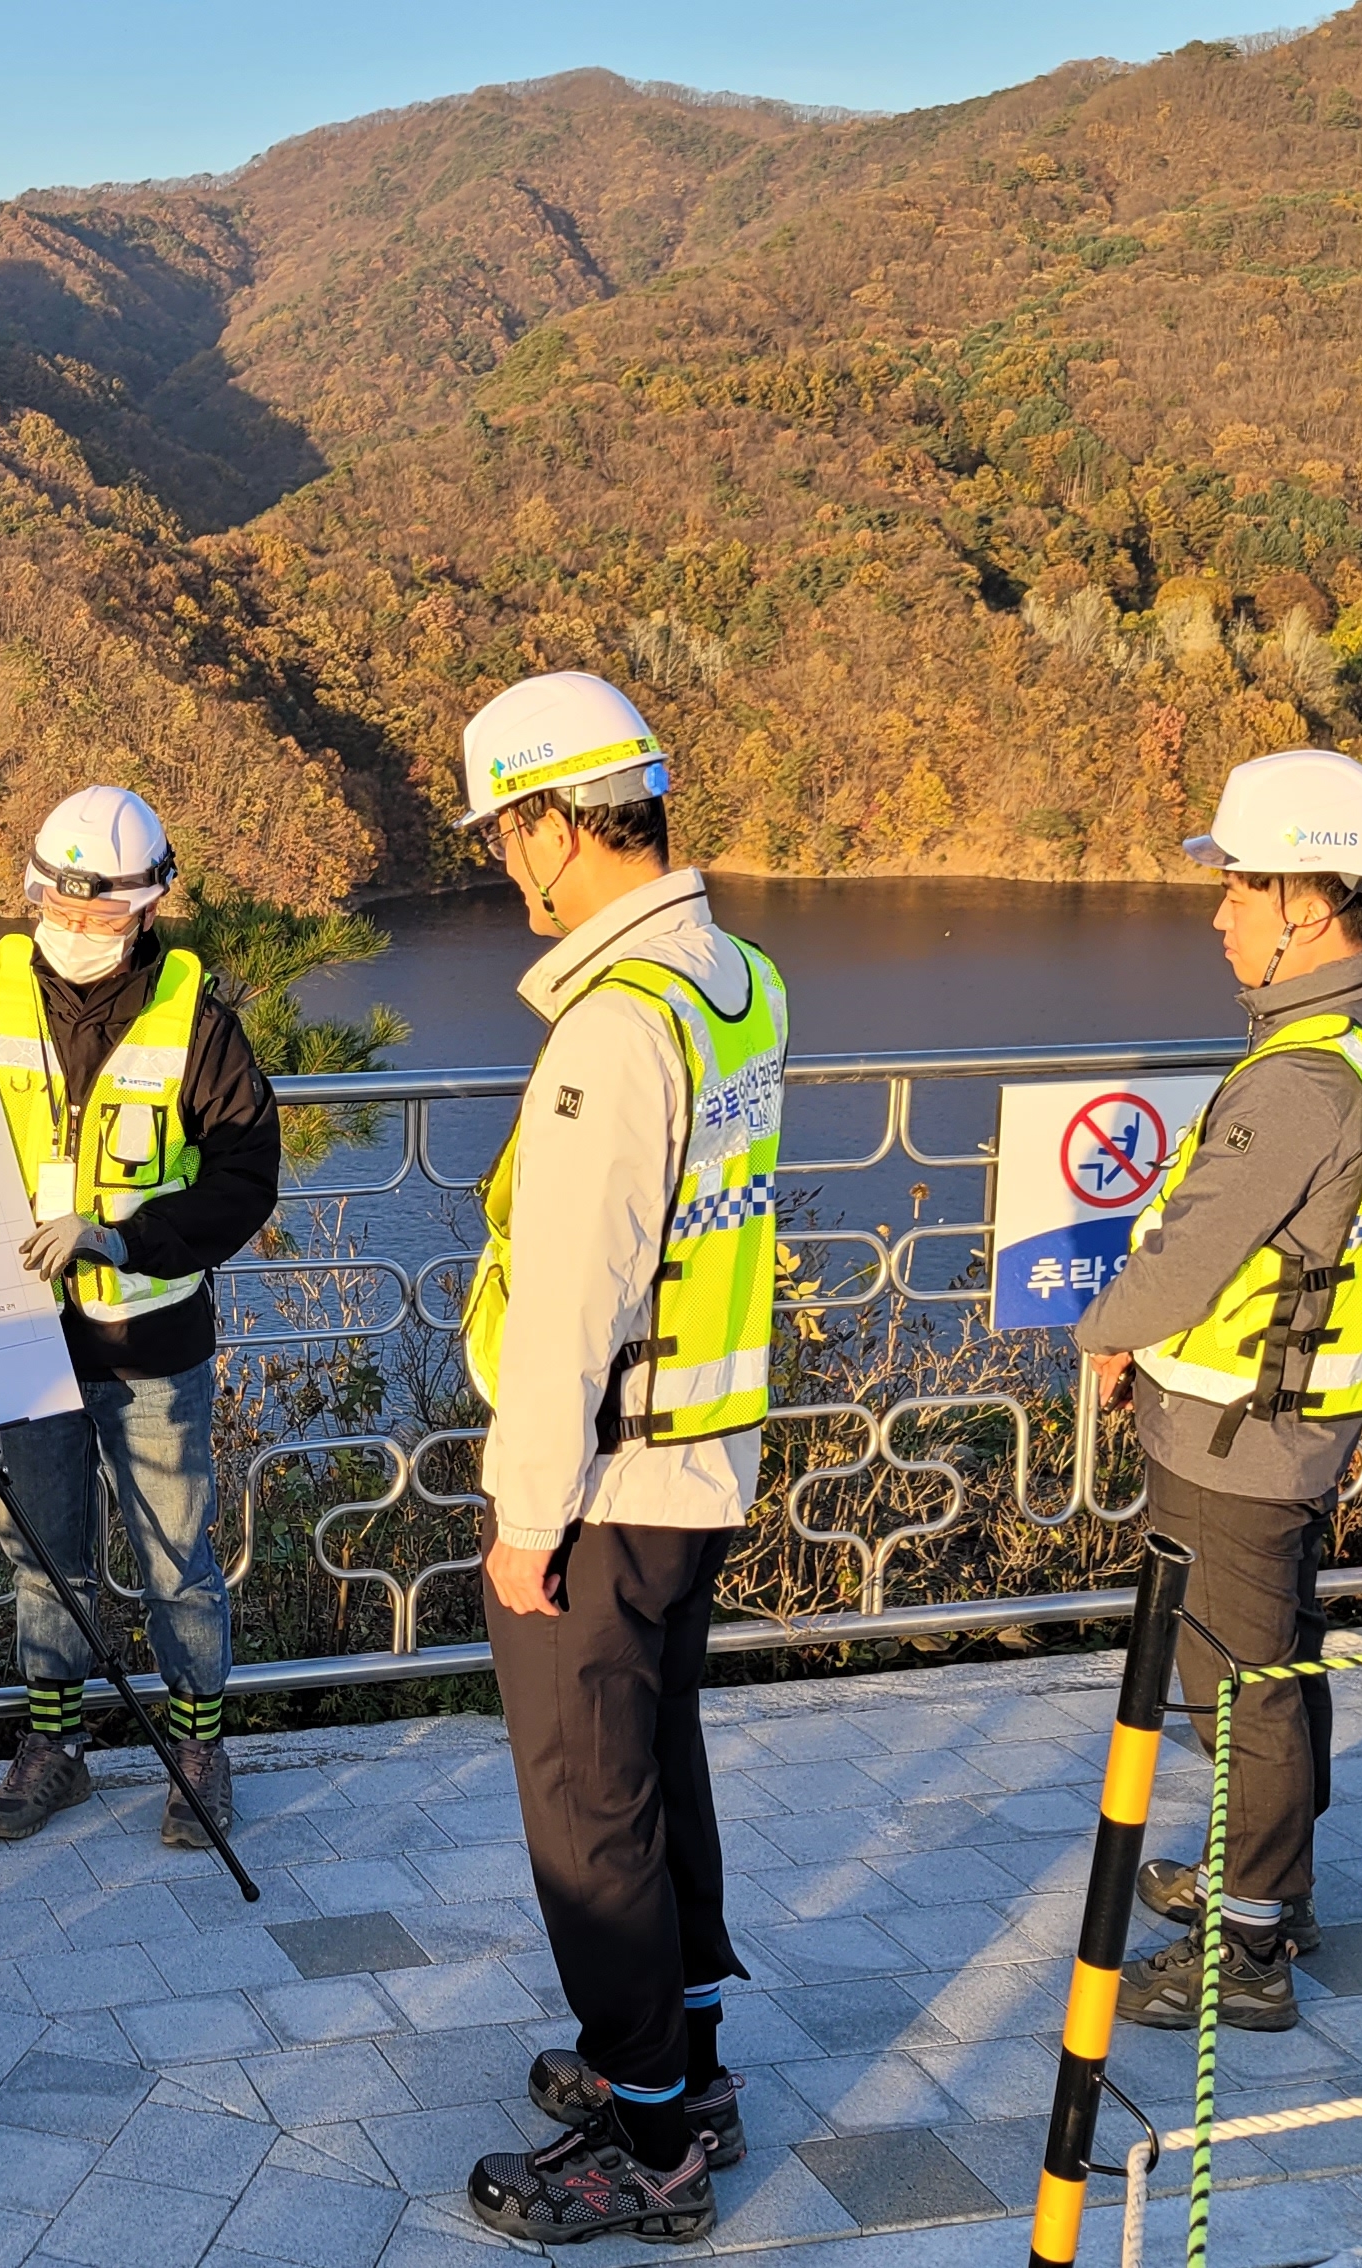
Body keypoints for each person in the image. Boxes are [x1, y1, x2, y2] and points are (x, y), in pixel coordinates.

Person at [448, 673, 788, 2248]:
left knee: (589, 1821)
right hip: (698, 1467)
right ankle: (686, 2068)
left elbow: (571, 1301)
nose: (502, 869)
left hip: (601, 1487)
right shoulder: (737, 982)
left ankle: (650, 2148)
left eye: (504, 835)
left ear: (551, 825)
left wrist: (525, 1523)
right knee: (662, 1779)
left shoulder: (612, 1028)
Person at [1076, 748, 1362, 2036]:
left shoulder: (1298, 1079)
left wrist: (1103, 1332)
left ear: (1310, 903)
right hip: (1296, 1419)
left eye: (1239, 884)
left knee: (1240, 1686)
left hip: (1236, 1436)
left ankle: (1255, 1946)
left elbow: (1191, 1256)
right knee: (1279, 1663)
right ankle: (1267, 1885)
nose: (1217, 908)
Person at [0, 785, 282, 1850]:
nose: (72, 934)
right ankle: (54, 1747)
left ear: (151, 907)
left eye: (98, 918)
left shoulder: (195, 1024)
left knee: (176, 1561)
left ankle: (198, 1750)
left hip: (150, 1342)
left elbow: (248, 1172)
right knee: (43, 1557)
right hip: (23, 1345)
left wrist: (124, 1236)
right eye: (56, 911)